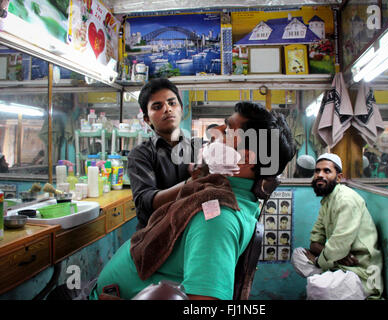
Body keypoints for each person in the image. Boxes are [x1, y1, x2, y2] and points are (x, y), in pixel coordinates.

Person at [89, 101, 296, 300]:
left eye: (227, 130)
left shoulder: (218, 220)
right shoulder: (218, 191)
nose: (216, 131)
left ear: (248, 158)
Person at [291, 153, 383, 300]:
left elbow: (339, 246)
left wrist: (321, 259)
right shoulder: (327, 201)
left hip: (359, 271)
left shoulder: (346, 200)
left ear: (338, 177)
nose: (320, 175)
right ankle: (330, 277)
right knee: (298, 254)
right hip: (338, 263)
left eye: (326, 171)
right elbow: (315, 242)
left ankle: (333, 281)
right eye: (317, 171)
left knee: (316, 287)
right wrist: (337, 257)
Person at [127, 78, 202, 230]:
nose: (167, 109)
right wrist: (192, 181)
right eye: (157, 106)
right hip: (155, 235)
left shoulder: (199, 148)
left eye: (172, 103)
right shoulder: (140, 155)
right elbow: (145, 201)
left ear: (181, 108)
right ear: (147, 119)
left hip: (193, 232)